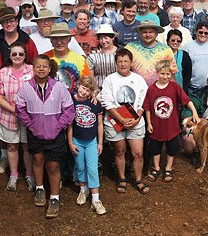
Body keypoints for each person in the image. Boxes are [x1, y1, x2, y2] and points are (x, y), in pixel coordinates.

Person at [15, 55, 76, 218]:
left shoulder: (59, 87)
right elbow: (19, 107)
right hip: (35, 133)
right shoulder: (26, 87)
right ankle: (40, 188)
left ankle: (54, 198)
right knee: (38, 160)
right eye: (38, 66)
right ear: (33, 68)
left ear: (50, 69)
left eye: (45, 66)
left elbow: (69, 110)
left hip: (55, 135)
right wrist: (30, 124)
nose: (41, 69)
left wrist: (59, 126)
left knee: (53, 166)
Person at [98, 49, 149, 195]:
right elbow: (107, 101)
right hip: (115, 121)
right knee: (119, 151)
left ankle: (138, 179)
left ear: (131, 62)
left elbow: (142, 100)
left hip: (135, 120)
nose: (123, 64)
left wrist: (137, 118)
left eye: (126, 61)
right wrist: (120, 119)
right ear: (116, 63)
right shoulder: (110, 79)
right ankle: (121, 178)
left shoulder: (138, 79)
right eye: (120, 61)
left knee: (138, 153)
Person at [145, 61, 198, 184]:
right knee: (155, 147)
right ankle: (156, 167)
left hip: (171, 125)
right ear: (157, 73)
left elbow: (187, 100)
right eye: (162, 74)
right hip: (156, 125)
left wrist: (194, 112)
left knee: (172, 148)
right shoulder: (152, 89)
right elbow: (147, 107)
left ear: (171, 74)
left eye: (168, 74)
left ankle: (169, 167)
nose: (165, 77)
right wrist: (149, 123)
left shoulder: (175, 87)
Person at [0, 42, 35, 192]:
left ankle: (29, 175)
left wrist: (25, 110)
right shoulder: (2, 73)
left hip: (29, 116)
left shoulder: (32, 70)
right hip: (8, 115)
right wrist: (14, 109)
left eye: (21, 54)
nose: (17, 57)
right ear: (10, 56)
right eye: (14, 54)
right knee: (12, 146)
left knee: (27, 146)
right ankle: (13, 175)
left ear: (25, 56)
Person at [67, 76, 107, 215]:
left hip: (91, 141)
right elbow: (70, 124)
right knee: (80, 167)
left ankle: (96, 198)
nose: (84, 92)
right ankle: (83, 190)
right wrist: (70, 142)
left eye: (88, 90)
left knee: (92, 168)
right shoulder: (71, 101)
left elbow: (100, 124)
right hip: (77, 140)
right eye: (83, 88)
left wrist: (100, 142)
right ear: (78, 85)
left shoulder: (94, 103)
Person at [125, 20, 178, 85]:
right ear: (140, 33)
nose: (148, 35)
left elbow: (172, 73)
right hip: (135, 88)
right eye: (145, 32)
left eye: (151, 32)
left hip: (159, 89)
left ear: (156, 33)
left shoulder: (166, 50)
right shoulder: (130, 48)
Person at [45, 23, 91, 95]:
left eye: (63, 38)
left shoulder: (80, 60)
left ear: (69, 39)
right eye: (55, 38)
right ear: (51, 40)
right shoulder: (43, 59)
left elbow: (88, 85)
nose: (59, 42)